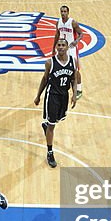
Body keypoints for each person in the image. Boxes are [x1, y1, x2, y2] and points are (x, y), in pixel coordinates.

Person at [34, 38, 78, 168]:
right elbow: (44, 79)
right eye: (58, 45)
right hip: (52, 96)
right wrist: (38, 96)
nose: (61, 47)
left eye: (63, 45)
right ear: (56, 47)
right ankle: (50, 152)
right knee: (52, 126)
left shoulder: (73, 61)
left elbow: (74, 79)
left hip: (64, 95)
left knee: (56, 121)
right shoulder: (50, 62)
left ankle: (46, 125)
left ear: (67, 47)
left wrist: (75, 94)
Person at [52, 5, 83, 98]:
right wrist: (53, 48)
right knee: (59, 67)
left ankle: (79, 89)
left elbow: (81, 34)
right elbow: (57, 35)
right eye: (61, 11)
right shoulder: (58, 22)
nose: (63, 13)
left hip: (71, 48)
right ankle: (60, 85)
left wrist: (76, 41)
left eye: (65, 11)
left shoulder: (72, 22)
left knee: (75, 70)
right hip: (62, 48)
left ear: (68, 12)